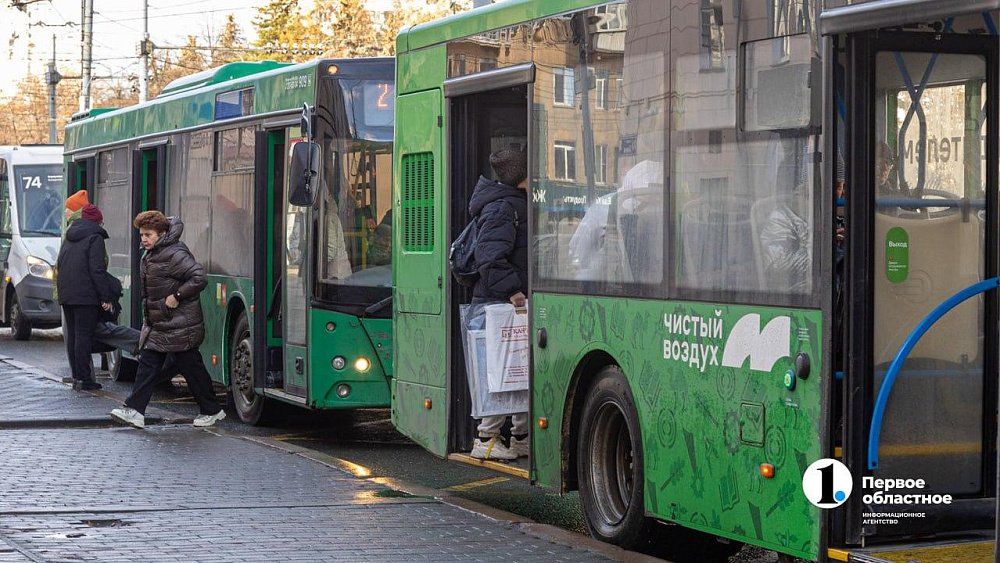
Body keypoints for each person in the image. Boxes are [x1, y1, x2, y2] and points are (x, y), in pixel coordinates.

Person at [110, 211, 225, 429]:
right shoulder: (154, 253)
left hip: (179, 324)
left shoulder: (174, 253)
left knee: (186, 367)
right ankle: (136, 410)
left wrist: (176, 296)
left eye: (148, 235)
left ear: (162, 234)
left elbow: (199, 277)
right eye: (141, 235)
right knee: (156, 364)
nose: (144, 239)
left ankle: (210, 409)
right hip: (163, 323)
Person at [466, 148, 529, 461]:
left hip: (508, 302)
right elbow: (489, 257)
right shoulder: (503, 207)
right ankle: (486, 438)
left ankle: (520, 438)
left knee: (520, 371)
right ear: (522, 176)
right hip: (500, 304)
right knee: (503, 370)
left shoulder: (510, 203)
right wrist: (514, 291)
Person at [56, 204, 115, 391]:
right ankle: (84, 379)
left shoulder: (69, 236)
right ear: (97, 222)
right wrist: (105, 297)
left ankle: (77, 377)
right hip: (85, 295)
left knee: (74, 336)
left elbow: (60, 263)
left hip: (67, 294)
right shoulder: (95, 238)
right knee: (83, 335)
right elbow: (97, 269)